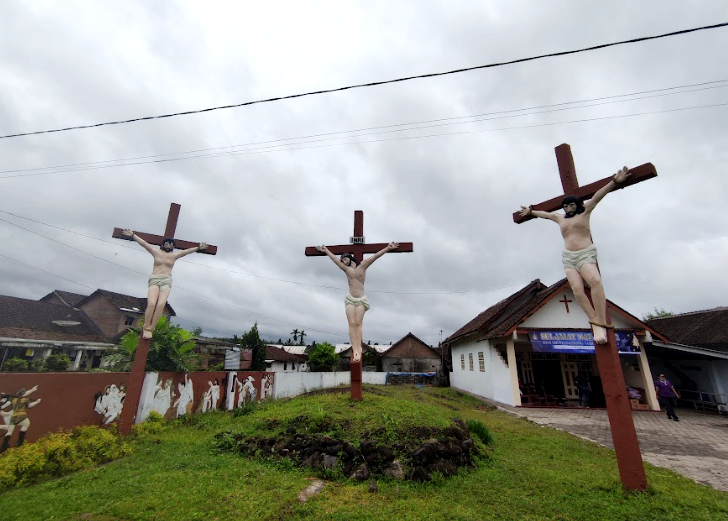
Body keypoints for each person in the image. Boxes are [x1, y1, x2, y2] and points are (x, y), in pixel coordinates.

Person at [519, 167, 631, 344]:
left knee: (595, 281)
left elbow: (597, 196)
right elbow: (547, 215)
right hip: (569, 257)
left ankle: (601, 321)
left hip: (585, 253)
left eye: (571, 204)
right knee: (577, 290)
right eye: (565, 205)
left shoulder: (585, 212)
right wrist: (531, 212)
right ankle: (595, 323)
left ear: (577, 205)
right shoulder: (561, 219)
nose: (568, 207)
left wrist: (615, 182)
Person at [316, 242, 399, 363]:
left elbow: (375, 256)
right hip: (350, 298)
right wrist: (326, 250)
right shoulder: (346, 269)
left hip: (361, 299)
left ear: (350, 259)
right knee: (351, 323)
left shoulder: (363, 266)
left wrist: (387, 248)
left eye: (345, 259)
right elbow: (335, 260)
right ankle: (354, 349)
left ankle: (359, 349)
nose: (343, 262)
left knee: (358, 323)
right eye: (342, 260)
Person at [122, 229, 208, 339]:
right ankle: (146, 326)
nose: (169, 245)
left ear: (173, 246)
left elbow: (186, 251)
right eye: (167, 243)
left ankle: (151, 329)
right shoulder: (155, 252)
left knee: (161, 304)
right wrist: (133, 235)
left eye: (171, 244)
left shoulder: (174, 256)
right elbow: (144, 244)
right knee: (152, 303)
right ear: (163, 244)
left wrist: (198, 248)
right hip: (155, 279)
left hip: (166, 281)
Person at [0, 386, 41, 453]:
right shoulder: (21, 400)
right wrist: (37, 402)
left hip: (13, 417)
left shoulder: (13, 399)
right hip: (17, 415)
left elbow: (23, 394)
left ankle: (3, 447)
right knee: (26, 424)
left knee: (9, 431)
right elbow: (29, 405)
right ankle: (20, 441)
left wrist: (32, 390)